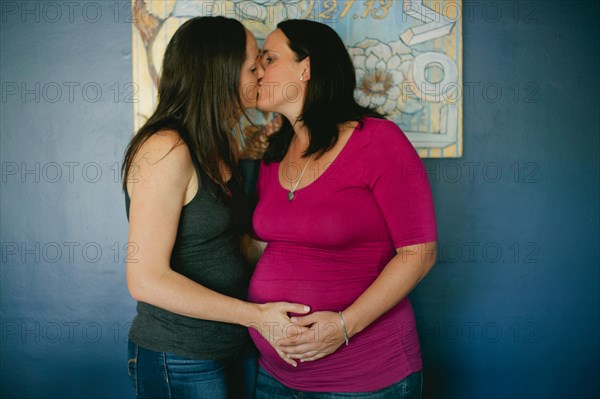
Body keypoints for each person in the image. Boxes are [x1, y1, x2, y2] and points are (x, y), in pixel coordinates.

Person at [121, 16, 310, 399]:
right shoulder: (166, 150)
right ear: (218, 70)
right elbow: (145, 279)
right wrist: (257, 317)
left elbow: (227, 243)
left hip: (233, 346)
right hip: (180, 355)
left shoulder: (218, 143)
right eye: (253, 65)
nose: (260, 74)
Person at [247, 19, 438, 398]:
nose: (257, 71)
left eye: (268, 58)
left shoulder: (379, 141)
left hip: (366, 377)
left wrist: (343, 325)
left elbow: (419, 253)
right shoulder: (272, 154)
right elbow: (273, 246)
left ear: (306, 68)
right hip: (276, 377)